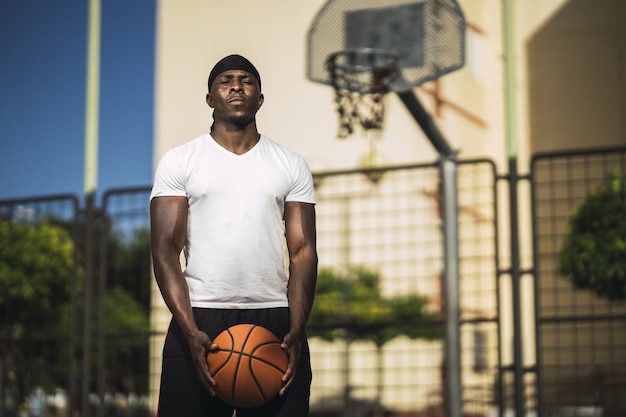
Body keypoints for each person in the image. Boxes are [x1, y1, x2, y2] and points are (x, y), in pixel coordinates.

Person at [149, 54, 318, 417]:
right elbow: (165, 249)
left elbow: (303, 252)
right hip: (199, 316)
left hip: (275, 317)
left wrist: (297, 329)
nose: (236, 86)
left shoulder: (290, 163)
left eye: (247, 80)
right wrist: (189, 329)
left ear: (260, 98)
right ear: (210, 98)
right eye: (226, 80)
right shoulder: (181, 160)